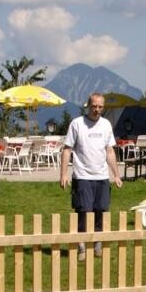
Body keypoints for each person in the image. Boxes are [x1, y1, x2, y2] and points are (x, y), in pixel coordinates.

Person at [59, 93, 122, 260]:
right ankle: (81, 246)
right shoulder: (77, 124)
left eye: (100, 107)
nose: (97, 110)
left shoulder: (106, 125)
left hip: (101, 176)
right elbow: (67, 150)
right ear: (88, 105)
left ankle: (98, 245)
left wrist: (116, 175)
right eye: (94, 106)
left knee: (101, 210)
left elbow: (109, 151)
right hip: (82, 176)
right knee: (83, 211)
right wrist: (63, 174)